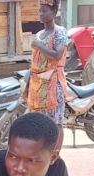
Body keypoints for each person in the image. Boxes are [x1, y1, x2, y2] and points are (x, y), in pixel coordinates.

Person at [24, 0, 69, 152]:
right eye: (40, 11)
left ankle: (55, 155)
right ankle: (41, 153)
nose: (41, 14)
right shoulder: (40, 34)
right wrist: (28, 85)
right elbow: (35, 63)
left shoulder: (60, 32)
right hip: (38, 85)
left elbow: (57, 55)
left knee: (56, 122)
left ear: (54, 12)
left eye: (44, 11)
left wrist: (39, 45)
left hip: (53, 84)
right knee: (39, 122)